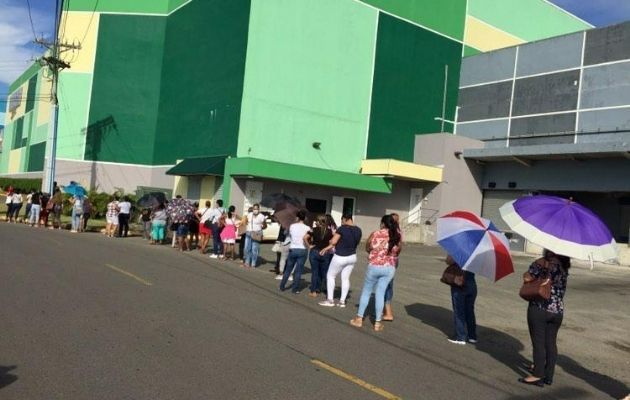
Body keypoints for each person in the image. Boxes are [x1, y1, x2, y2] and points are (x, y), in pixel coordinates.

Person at [519, 250, 570, 387]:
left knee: (539, 342)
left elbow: (527, 278)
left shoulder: (542, 263)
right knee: (551, 343)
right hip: (557, 310)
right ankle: (548, 375)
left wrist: (526, 274)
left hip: (540, 307)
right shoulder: (564, 266)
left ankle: (537, 375)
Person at [350, 214, 402, 332]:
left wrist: (375, 251)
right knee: (380, 293)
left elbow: (367, 247)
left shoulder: (375, 233)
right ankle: (377, 323)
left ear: (383, 223)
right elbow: (398, 251)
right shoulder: (397, 236)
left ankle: (359, 319)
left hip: (374, 266)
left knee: (366, 291)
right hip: (389, 268)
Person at [318, 213, 362, 308]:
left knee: (330, 276)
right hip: (352, 256)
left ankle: (330, 300)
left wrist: (329, 242)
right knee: (345, 278)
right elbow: (356, 242)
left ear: (345, 219)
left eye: (342, 220)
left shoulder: (342, 228)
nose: (341, 223)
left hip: (340, 256)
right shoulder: (358, 230)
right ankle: (342, 301)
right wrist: (327, 248)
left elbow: (333, 242)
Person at [445, 255, 477, 345]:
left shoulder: (459, 249)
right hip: (472, 284)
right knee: (470, 311)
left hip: (459, 283)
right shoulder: (477, 253)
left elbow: (448, 260)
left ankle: (461, 337)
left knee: (459, 311)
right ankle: (472, 336)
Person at [279, 210, 310, 294]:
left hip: (293, 249)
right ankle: (295, 289)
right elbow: (310, 237)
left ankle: (282, 286)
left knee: (288, 269)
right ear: (304, 218)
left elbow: (288, 234)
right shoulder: (307, 228)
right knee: (298, 270)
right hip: (303, 249)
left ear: (297, 217)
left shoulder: (292, 226)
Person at [305, 215, 333, 297]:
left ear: (319, 221)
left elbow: (305, 238)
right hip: (325, 252)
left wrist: (309, 245)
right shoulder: (330, 231)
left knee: (315, 272)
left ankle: (313, 291)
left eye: (316, 220)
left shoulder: (313, 230)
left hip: (315, 251)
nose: (315, 222)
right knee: (325, 273)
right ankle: (328, 291)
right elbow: (333, 242)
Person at [383, 212, 402, 321]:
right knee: (389, 284)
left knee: (385, 285)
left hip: (386, 261)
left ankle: (387, 310)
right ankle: (386, 308)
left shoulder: (388, 232)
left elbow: (370, 246)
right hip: (393, 260)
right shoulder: (398, 232)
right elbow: (400, 247)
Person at [242, 204, 266, 268]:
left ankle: (253, 263)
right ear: (252, 209)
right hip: (248, 233)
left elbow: (265, 226)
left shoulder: (261, 216)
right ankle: (247, 262)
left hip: (256, 233)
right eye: (254, 209)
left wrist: (261, 229)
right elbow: (246, 222)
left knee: (254, 249)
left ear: (259, 209)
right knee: (247, 248)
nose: (255, 210)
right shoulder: (249, 215)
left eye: (256, 209)